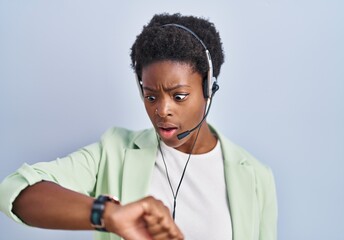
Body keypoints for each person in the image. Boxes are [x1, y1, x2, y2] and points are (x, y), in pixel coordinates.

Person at [0, 13, 277, 240]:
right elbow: (16, 190)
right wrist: (108, 215)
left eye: (178, 96)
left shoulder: (256, 176)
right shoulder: (114, 151)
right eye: (150, 96)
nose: (162, 110)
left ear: (209, 88)